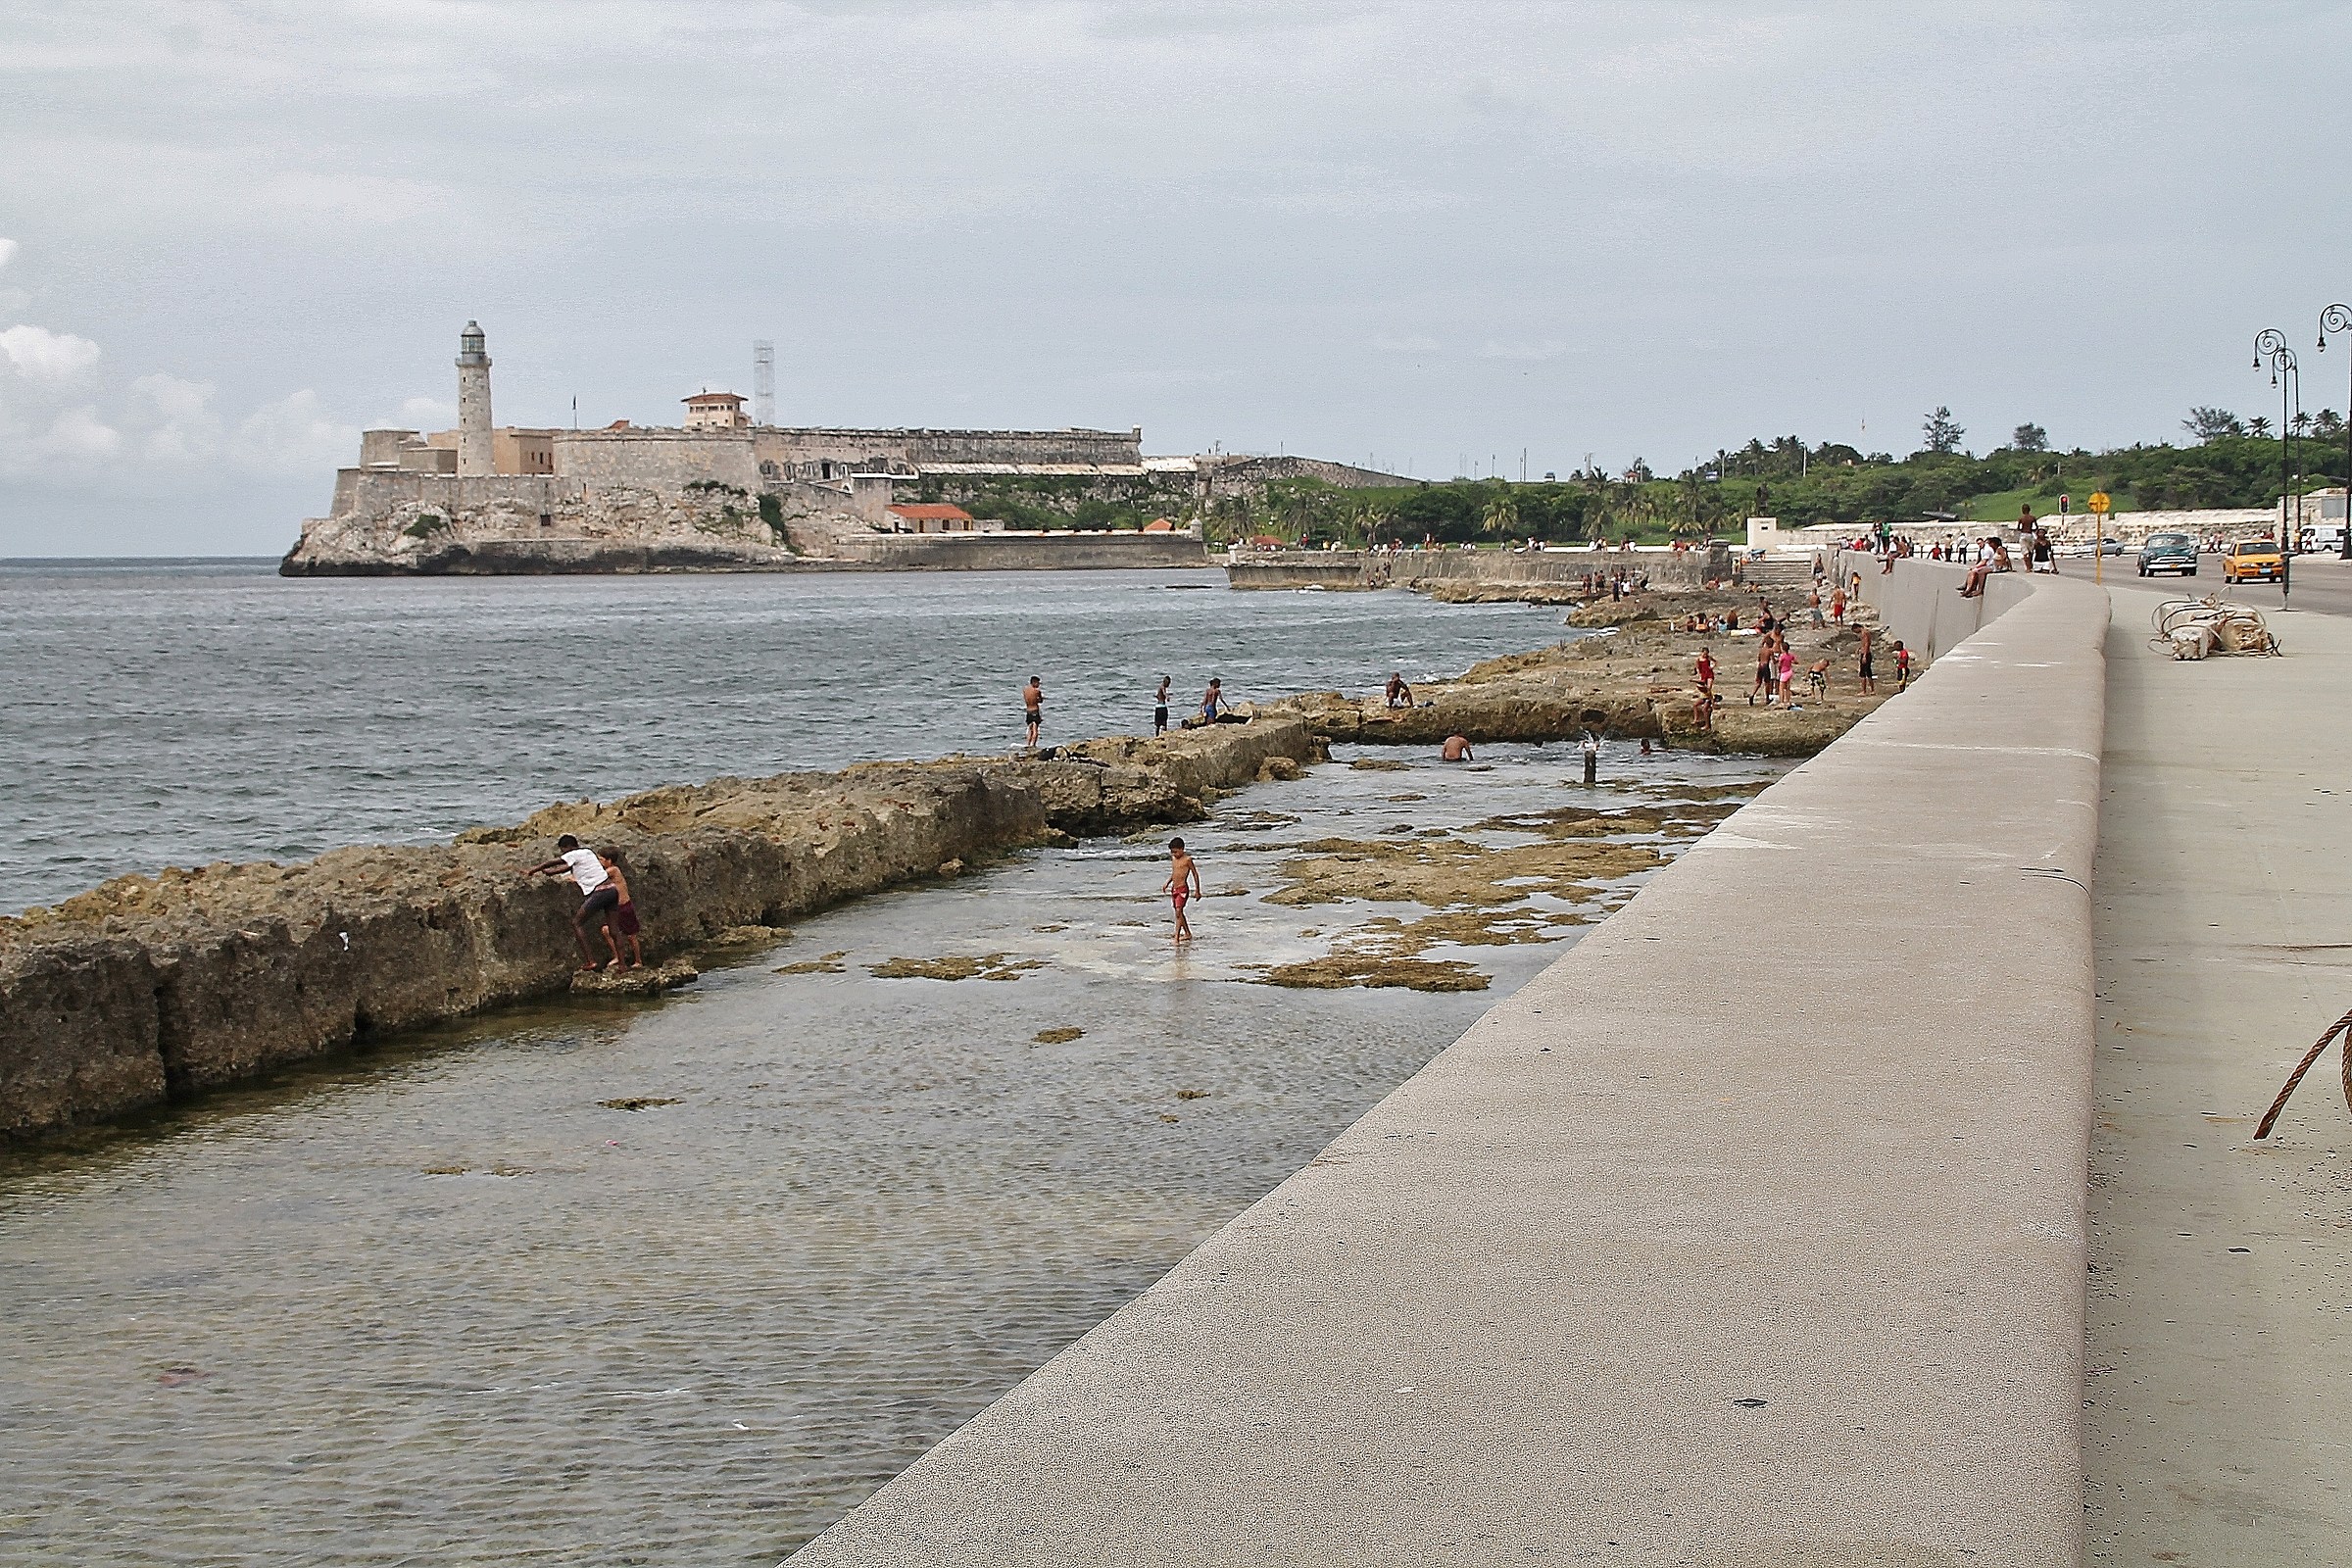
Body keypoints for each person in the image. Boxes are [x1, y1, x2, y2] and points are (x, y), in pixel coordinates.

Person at [523, 833, 621, 971]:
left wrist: (532, 870)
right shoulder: (587, 852)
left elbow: (553, 862)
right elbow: (566, 868)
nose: (563, 854)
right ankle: (622, 965)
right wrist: (550, 873)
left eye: (563, 851)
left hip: (600, 892)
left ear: (568, 847)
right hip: (612, 890)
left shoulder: (573, 853)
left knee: (577, 922)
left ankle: (590, 961)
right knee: (614, 930)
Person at [596, 848, 643, 969]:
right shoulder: (608, 871)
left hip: (624, 907)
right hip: (615, 908)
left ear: (609, 861)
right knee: (606, 930)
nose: (598, 862)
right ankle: (617, 956)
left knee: (631, 935)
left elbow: (598, 877)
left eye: (600, 859)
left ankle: (638, 960)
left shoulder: (614, 870)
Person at [1161, 836, 1202, 943]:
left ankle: (1177, 938)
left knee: (1179, 912)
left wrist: (1197, 890)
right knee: (1178, 912)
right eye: (1172, 852)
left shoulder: (1187, 860)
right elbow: (1175, 873)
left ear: (1182, 849)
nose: (1174, 854)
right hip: (1174, 888)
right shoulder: (1174, 859)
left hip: (1183, 889)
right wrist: (1168, 883)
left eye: (1175, 852)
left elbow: (1195, 874)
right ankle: (1187, 933)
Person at [1022, 674, 1044, 748]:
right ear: (1034, 682)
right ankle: (1033, 745)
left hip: (1028, 711)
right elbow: (1040, 700)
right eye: (1038, 683)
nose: (1038, 685)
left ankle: (1027, 744)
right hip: (1035, 711)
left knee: (1029, 729)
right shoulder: (1037, 691)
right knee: (1035, 730)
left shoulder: (1025, 690)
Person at [1857, 625, 1877, 695]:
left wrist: (1864, 655)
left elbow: (1866, 644)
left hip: (1866, 654)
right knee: (1868, 672)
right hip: (1866, 653)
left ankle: (1864, 691)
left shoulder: (1864, 633)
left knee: (1863, 673)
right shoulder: (1866, 632)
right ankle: (1872, 690)